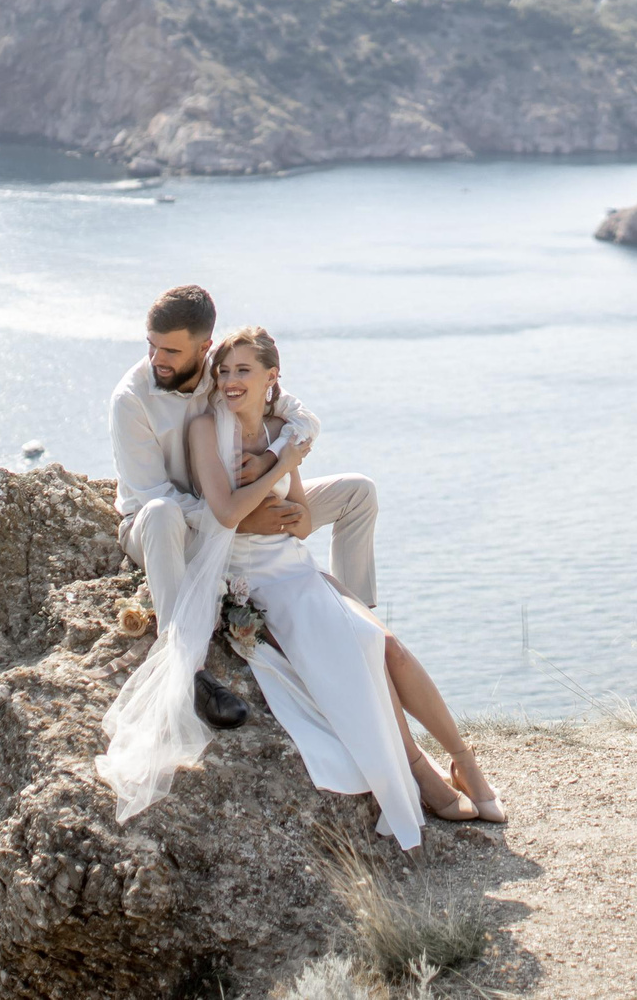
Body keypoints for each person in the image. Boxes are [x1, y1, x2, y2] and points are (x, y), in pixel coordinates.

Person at [97, 325, 506, 843]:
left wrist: (278, 465)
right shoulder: (205, 424)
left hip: (291, 560)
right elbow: (224, 513)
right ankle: (422, 775)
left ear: (272, 377)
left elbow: (304, 521)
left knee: (387, 645)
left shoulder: (282, 425)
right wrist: (279, 471)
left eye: (241, 370)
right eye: (224, 371)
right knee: (366, 648)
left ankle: (464, 762)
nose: (228, 379)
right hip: (246, 568)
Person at [106, 285, 377, 729]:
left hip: (238, 503)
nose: (158, 359)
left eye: (172, 349)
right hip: (165, 527)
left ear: (205, 347)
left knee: (358, 492)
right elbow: (151, 494)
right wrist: (243, 518)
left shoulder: (224, 371)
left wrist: (271, 460)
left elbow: (303, 419)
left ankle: (359, 623)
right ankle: (189, 670)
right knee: (160, 513)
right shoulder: (131, 400)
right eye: (151, 345)